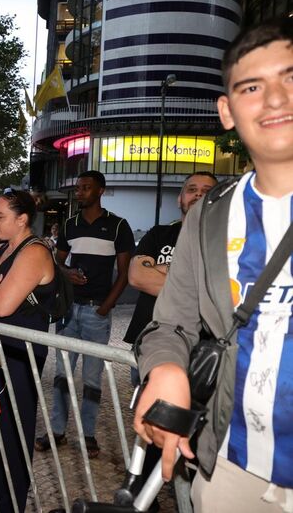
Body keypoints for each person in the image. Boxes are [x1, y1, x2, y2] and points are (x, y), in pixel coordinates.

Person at [134, 19, 293, 513]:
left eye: (291, 77)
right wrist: (163, 368)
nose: (274, 98)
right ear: (227, 111)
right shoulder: (209, 214)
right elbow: (171, 322)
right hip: (231, 464)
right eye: (252, 86)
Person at [121, 171, 217, 510]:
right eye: (192, 189)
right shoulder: (160, 234)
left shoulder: (222, 241)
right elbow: (135, 275)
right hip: (153, 351)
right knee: (147, 439)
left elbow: (207, 296)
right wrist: (188, 283)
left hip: (205, 364)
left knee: (196, 454)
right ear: (180, 197)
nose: (198, 195)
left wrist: (164, 274)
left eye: (207, 190)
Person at [35, 170, 134, 459]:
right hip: (68, 310)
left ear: (100, 191)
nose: (79, 192)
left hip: (97, 312)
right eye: (78, 188)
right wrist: (66, 273)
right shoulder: (69, 225)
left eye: (86, 188)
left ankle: (88, 435)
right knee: (62, 375)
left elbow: (125, 273)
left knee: (92, 378)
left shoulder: (117, 226)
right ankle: (57, 430)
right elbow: (57, 262)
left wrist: (106, 306)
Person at [0, 188, 57, 512]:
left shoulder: (34, 252)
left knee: (13, 441)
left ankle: (7, 507)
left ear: (22, 219)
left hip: (20, 362)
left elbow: (3, 306)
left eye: (0, 216)